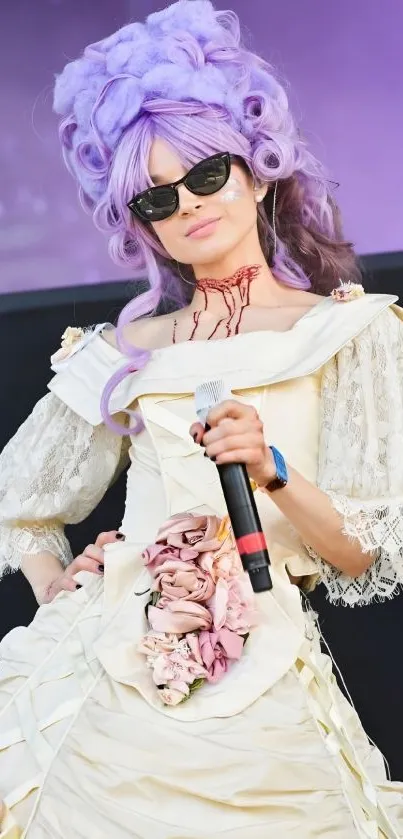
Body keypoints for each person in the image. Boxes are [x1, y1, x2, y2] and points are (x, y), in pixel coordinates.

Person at [0, 1, 403, 836]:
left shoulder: (341, 332)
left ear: (257, 170)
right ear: (138, 222)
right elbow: (23, 500)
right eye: (155, 198)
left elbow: (360, 550)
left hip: (259, 662)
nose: (187, 204)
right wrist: (54, 580)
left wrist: (274, 472)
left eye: (206, 174)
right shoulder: (125, 348)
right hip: (103, 660)